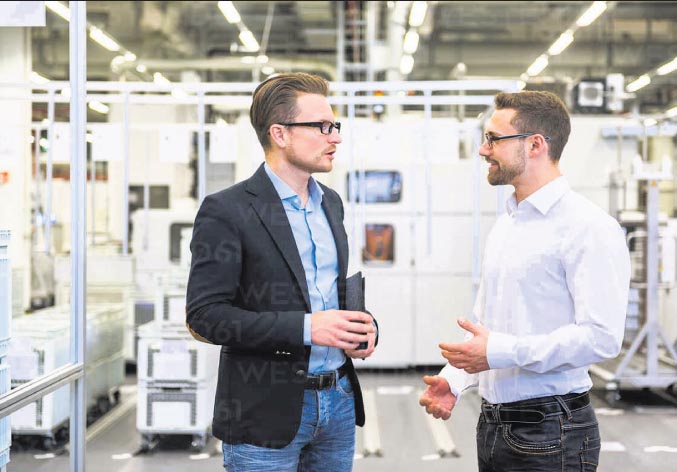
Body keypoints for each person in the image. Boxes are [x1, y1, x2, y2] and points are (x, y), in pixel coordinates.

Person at [419, 91, 630, 471]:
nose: (483, 150)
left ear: (535, 145)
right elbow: (487, 325)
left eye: (493, 139)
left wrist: (501, 351)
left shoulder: (589, 228)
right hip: (494, 425)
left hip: (554, 430)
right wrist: (454, 378)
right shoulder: (508, 224)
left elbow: (601, 337)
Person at [186, 72, 378, 471]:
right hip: (264, 411)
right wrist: (308, 328)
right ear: (280, 134)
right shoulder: (228, 210)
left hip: (338, 401)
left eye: (335, 126)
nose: (335, 138)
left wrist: (363, 327)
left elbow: (329, 294)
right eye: (322, 127)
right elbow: (205, 316)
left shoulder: (330, 203)